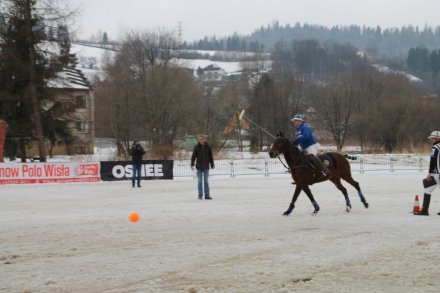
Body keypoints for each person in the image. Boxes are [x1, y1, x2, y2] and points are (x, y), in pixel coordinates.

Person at [291, 114, 331, 183]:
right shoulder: (297, 130)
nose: (294, 122)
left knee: (312, 157)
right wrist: (294, 144)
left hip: (312, 146)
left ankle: (325, 171)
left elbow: (306, 136)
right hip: (304, 147)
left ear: (300, 121)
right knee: (301, 159)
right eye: (294, 121)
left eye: (296, 120)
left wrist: (296, 140)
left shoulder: (305, 127)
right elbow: (298, 140)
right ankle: (302, 176)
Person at [414, 130, 440, 216]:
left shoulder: (435, 147)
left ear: (436, 138)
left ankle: (424, 211)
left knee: (427, 190)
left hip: (437, 173)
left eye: (432, 138)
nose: (432, 140)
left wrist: (430, 172)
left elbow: (433, 160)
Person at [191, 134, 215, 200]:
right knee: (199, 181)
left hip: (206, 167)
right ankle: (200, 195)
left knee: (206, 181)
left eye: (202, 139)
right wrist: (192, 164)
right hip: (199, 167)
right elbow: (193, 156)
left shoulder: (208, 147)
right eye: (200, 139)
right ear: (198, 140)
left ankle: (207, 195)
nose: (201, 140)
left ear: (204, 139)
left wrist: (212, 164)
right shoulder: (196, 147)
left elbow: (211, 157)